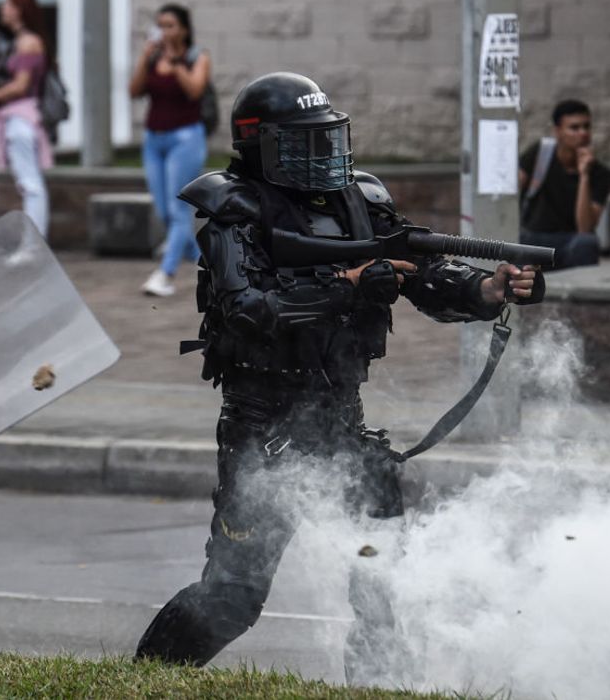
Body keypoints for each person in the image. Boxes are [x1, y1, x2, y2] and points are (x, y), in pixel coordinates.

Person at [133, 72, 545, 668]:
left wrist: (486, 287)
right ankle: (148, 679)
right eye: (301, 143)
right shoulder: (233, 211)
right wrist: (344, 286)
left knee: (382, 582)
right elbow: (247, 311)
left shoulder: (361, 201)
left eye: (325, 139)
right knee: (233, 597)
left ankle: (376, 682)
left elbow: (419, 271)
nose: (320, 156)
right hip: (265, 431)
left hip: (342, 423)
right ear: (261, 145)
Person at [129, 3, 211, 297]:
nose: (164, 31)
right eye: (160, 25)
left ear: (184, 29)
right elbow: (134, 90)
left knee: (178, 210)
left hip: (185, 139)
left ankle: (165, 274)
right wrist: (144, 56)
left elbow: (194, 91)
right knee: (164, 210)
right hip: (154, 139)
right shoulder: (152, 58)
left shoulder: (196, 57)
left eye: (170, 25)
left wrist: (176, 64)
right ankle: (206, 259)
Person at [0, 0, 54, 238]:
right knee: (29, 183)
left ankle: (35, 240)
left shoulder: (27, 42)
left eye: (8, 4)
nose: (3, 9)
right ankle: (34, 239)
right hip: (21, 117)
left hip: (21, 118)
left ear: (19, 10)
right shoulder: (26, 40)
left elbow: (22, 85)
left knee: (30, 184)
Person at [518, 99, 610, 270]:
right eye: (574, 128)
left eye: (586, 127)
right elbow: (512, 190)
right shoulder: (540, 153)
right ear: (558, 131)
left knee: (588, 242)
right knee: (515, 244)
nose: (583, 133)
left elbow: (585, 228)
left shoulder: (601, 174)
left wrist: (584, 175)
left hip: (570, 241)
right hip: (534, 238)